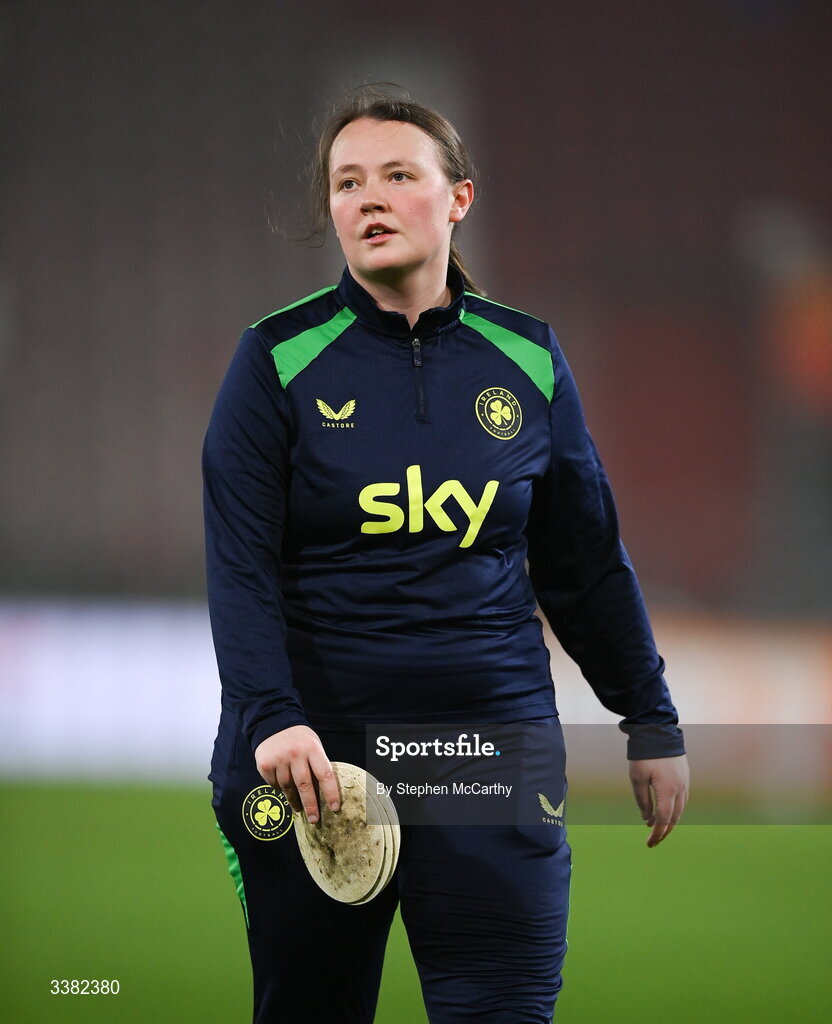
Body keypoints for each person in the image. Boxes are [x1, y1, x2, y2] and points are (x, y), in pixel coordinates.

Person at [203, 86, 689, 1024]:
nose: (368, 199)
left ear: (457, 198)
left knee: (504, 1011)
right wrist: (273, 718)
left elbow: (584, 564)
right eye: (347, 183)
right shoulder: (273, 362)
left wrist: (648, 714)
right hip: (319, 760)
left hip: (490, 754)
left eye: (396, 175)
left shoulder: (530, 360)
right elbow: (239, 567)